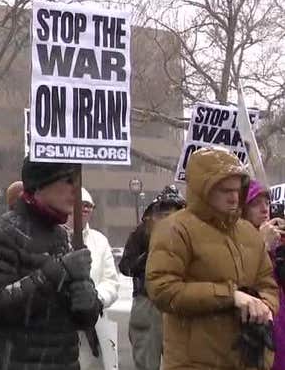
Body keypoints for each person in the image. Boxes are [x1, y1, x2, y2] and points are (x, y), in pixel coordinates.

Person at [147, 147, 279, 369]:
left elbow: (268, 284)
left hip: (248, 358)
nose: (234, 198)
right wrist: (230, 296)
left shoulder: (248, 232)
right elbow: (162, 289)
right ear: (203, 190)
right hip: (195, 361)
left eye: (238, 190)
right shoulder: (175, 229)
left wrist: (264, 305)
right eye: (225, 190)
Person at [0, 158, 101, 370]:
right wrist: (57, 272)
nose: (75, 189)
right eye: (67, 180)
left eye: (76, 180)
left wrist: (88, 303)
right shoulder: (1, 233)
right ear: (40, 184)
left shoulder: (63, 236)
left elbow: (78, 318)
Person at [119, 185, 185, 370]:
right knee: (147, 359)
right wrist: (150, 256)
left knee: (181, 360)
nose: (169, 218)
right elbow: (126, 266)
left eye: (175, 212)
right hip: (148, 302)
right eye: (164, 213)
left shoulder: (188, 234)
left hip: (179, 302)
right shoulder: (142, 233)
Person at [65, 188, 120, 370]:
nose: (86, 210)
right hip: (62, 325)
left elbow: (111, 281)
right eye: (81, 205)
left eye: (89, 206)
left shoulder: (100, 241)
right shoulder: (53, 236)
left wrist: (95, 299)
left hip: (94, 327)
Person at [242, 181, 285, 370]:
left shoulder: (275, 235)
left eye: (267, 202)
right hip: (257, 326)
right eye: (255, 203)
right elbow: (242, 279)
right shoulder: (236, 238)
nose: (264, 208)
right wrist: (262, 245)